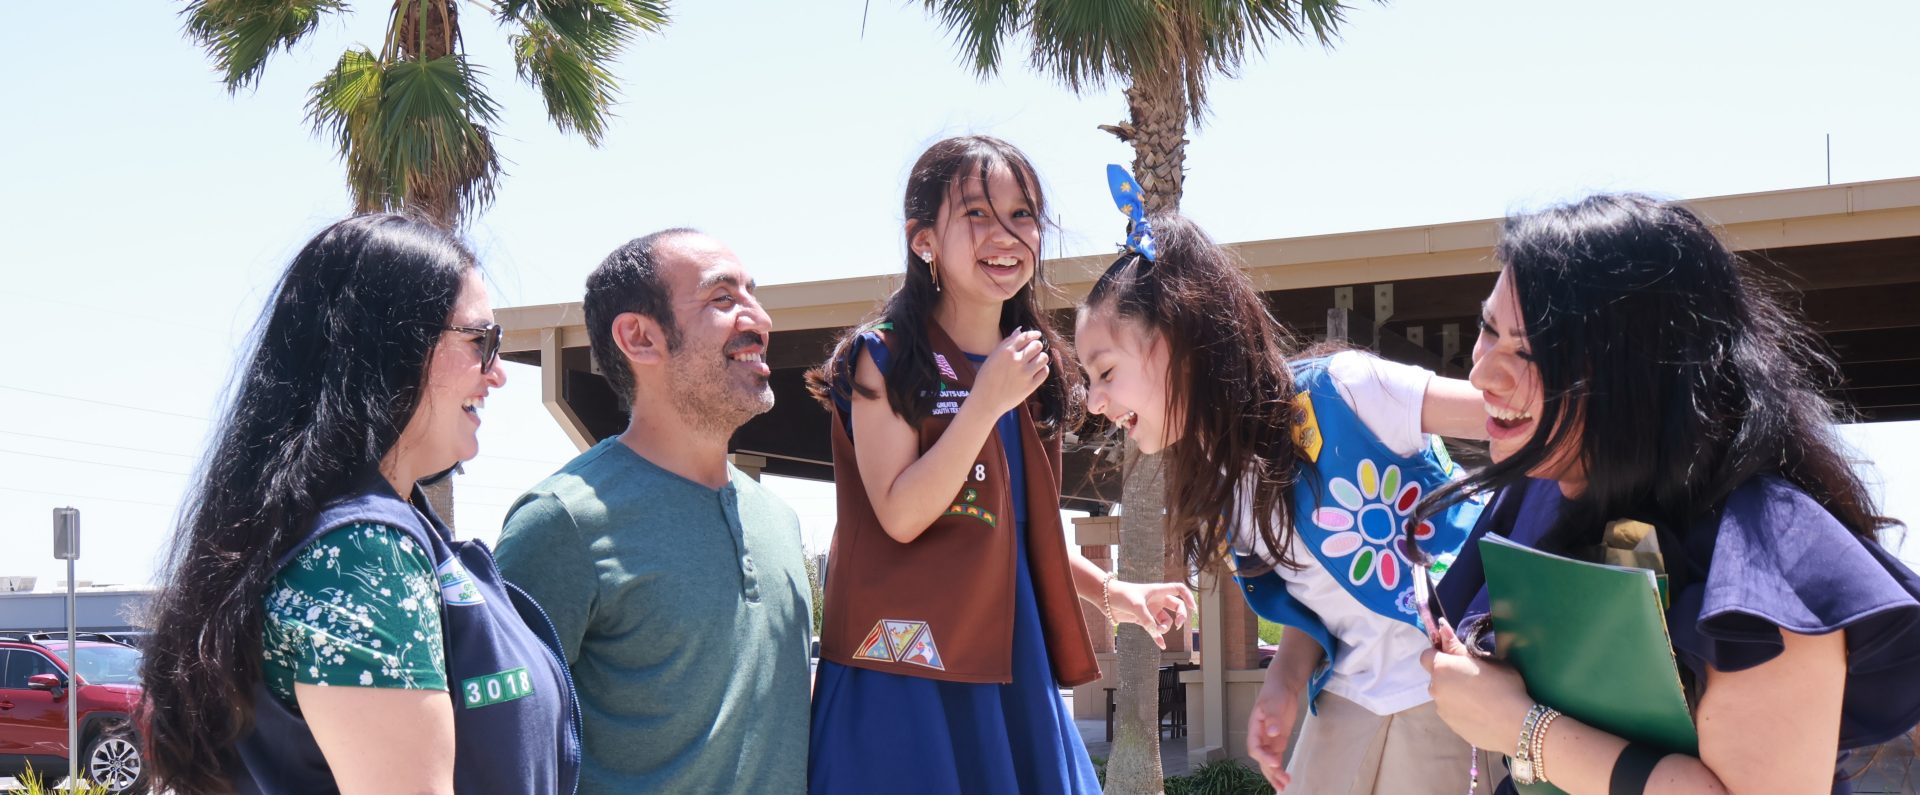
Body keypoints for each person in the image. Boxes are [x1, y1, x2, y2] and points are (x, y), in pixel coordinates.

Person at [1420, 193, 1920, 794]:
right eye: (1488, 329)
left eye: (1526, 351)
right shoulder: (1535, 490)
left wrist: (1521, 728)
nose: (1480, 374)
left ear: (1639, 373)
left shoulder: (1768, 547)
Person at [805, 136, 1196, 794]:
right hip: (905, 678)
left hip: (1010, 667)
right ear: (923, 240)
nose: (1006, 234)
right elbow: (901, 512)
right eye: (978, 215)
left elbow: (1015, 533)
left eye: (1023, 215)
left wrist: (1115, 593)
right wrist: (984, 404)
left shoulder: (1031, 369)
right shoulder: (886, 356)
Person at [140, 214, 579, 795]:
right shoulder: (362, 554)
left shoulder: (377, 533)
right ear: (390, 348)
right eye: (481, 342)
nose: (497, 373)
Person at [1074, 193, 1491, 793]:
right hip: (1349, 694)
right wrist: (1286, 681)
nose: (1093, 401)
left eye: (1106, 372)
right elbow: (1322, 602)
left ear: (1177, 343)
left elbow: (1511, 415)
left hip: (1451, 683)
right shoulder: (1221, 482)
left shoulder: (1344, 390)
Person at [493, 229, 812, 794]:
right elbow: (499, 752)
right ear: (639, 337)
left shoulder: (780, 523)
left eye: (753, 295)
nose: (759, 319)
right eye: (723, 299)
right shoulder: (561, 522)